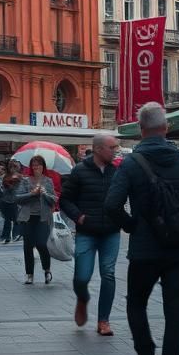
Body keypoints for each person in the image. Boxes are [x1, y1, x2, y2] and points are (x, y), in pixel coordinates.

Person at [105, 104, 179, 355]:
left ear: (140, 129)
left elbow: (111, 205)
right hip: (178, 252)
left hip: (144, 251)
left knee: (136, 303)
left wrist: (133, 225)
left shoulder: (132, 164)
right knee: (174, 314)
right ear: (167, 128)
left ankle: (146, 354)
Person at [60, 133, 123, 336]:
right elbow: (65, 200)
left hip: (111, 232)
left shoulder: (117, 172)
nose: (115, 151)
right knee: (82, 277)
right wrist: (78, 217)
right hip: (87, 232)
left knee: (109, 273)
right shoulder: (79, 171)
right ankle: (82, 298)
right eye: (111, 148)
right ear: (98, 149)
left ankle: (103, 320)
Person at [16, 155, 56, 285]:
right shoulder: (26, 181)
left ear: (43, 167)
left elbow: (53, 200)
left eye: (38, 165)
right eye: (34, 165)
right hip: (28, 217)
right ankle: (29, 274)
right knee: (28, 246)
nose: (36, 167)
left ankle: (47, 270)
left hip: (43, 218)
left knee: (41, 244)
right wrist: (31, 194)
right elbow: (18, 198)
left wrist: (44, 193)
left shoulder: (48, 181)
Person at [0, 160, 23, 243]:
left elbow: (18, 188)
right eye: (11, 166)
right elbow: (3, 187)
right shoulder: (5, 176)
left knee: (16, 219)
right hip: (6, 200)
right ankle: (6, 236)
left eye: (15, 166)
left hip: (16, 200)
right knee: (7, 219)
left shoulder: (20, 177)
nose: (12, 168)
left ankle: (16, 234)